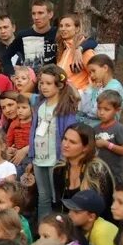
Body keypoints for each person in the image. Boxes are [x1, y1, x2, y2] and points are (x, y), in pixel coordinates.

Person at [28, 65, 79, 219]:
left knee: (57, 195)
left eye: (49, 83)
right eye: (41, 83)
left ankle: (58, 225)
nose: (44, 87)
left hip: (56, 159)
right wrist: (32, 154)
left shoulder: (64, 108)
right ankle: (43, 227)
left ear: (60, 85)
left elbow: (69, 133)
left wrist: (65, 157)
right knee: (43, 195)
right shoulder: (40, 105)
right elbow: (34, 131)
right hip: (39, 158)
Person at [9, 0, 58, 69]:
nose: (36, 17)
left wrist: (79, 49)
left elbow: (75, 41)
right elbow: (6, 56)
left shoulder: (58, 33)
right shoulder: (23, 35)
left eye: (40, 13)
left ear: (50, 14)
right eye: (33, 14)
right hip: (31, 78)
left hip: (55, 77)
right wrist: (11, 71)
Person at [54, 13, 95, 90]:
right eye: (61, 26)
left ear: (77, 28)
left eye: (67, 25)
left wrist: (83, 93)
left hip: (79, 98)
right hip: (64, 97)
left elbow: (97, 76)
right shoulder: (64, 50)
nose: (63, 29)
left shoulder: (84, 51)